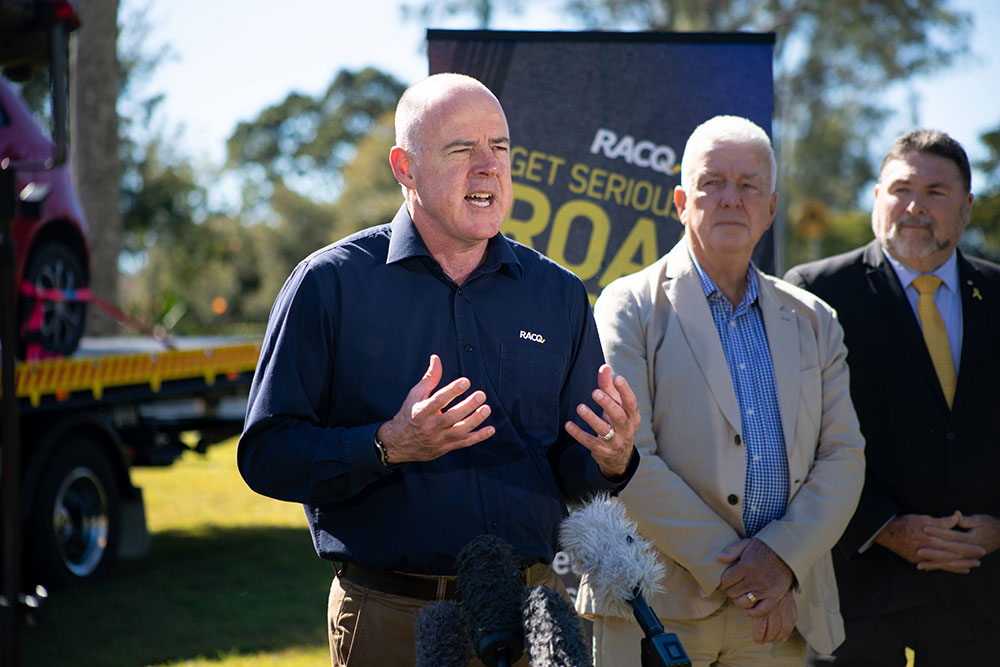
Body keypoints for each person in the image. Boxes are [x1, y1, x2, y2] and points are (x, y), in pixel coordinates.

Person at [237, 72, 640, 667]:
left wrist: (612, 459)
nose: (488, 167)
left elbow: (571, 471)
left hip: (534, 616)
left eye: (499, 148)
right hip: (393, 620)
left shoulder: (557, 294)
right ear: (405, 167)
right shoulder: (329, 285)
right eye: (461, 149)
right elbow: (267, 455)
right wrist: (386, 445)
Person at [575, 115, 866, 666]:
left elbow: (844, 457)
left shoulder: (815, 320)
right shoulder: (627, 306)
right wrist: (748, 572)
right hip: (656, 610)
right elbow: (628, 458)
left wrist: (782, 559)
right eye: (713, 182)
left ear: (771, 208)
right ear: (681, 202)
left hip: (777, 617)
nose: (732, 198)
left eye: (750, 185)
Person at [784, 129, 1000, 665]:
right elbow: (796, 437)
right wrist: (885, 527)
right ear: (877, 197)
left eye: (936, 192)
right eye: (901, 189)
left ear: (966, 208)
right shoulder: (814, 293)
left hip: (982, 596)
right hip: (860, 594)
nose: (915, 206)